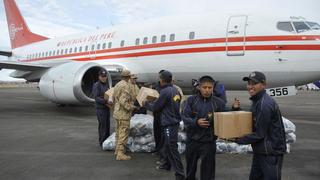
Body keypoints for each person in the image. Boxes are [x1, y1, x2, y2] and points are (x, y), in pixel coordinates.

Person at [235, 71, 286, 180]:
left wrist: (239, 139)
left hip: (270, 153)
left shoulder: (264, 104)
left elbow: (259, 133)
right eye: (249, 83)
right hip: (261, 150)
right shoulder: (257, 101)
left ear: (263, 85)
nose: (250, 87)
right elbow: (253, 121)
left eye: (254, 83)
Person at [182, 75, 232, 180]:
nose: (207, 90)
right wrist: (196, 122)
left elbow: (228, 116)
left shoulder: (218, 102)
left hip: (209, 142)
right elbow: (184, 117)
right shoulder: (191, 100)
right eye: (204, 87)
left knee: (208, 172)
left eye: (210, 88)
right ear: (199, 87)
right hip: (192, 141)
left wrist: (236, 108)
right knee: (190, 170)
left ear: (213, 88)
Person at [144, 70, 185, 180]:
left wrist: (145, 104)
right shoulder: (175, 90)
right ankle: (166, 165)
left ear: (162, 80)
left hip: (169, 124)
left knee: (172, 149)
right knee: (167, 145)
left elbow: (156, 107)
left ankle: (180, 174)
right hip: (174, 122)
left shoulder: (165, 92)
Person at [113, 69, 136, 161]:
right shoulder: (126, 86)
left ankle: (117, 150)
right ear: (129, 77)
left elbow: (116, 98)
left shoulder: (118, 84)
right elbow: (124, 101)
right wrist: (131, 107)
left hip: (117, 112)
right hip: (123, 113)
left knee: (118, 132)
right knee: (124, 132)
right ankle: (120, 153)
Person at [92, 69, 111, 147]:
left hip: (106, 108)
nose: (104, 78)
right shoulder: (97, 85)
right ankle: (102, 142)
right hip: (100, 109)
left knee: (107, 125)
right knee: (103, 125)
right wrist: (105, 101)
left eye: (105, 76)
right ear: (99, 77)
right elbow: (96, 98)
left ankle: (107, 141)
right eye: (102, 76)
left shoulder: (106, 85)